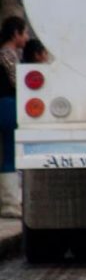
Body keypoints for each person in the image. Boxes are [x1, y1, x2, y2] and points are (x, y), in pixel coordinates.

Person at [0, 16, 28, 218]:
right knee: (10, 152)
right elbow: (18, 83)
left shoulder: (9, 53)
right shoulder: (8, 55)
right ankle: (10, 203)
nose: (26, 37)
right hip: (8, 105)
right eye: (24, 32)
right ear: (15, 34)